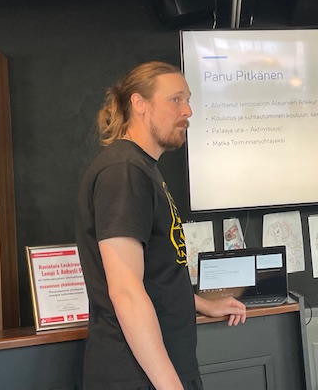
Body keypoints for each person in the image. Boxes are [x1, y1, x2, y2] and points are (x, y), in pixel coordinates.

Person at [75, 61, 247, 390]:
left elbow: (154, 274)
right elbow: (126, 292)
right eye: (175, 99)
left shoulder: (142, 168)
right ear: (139, 103)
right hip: (136, 375)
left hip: (158, 370)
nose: (188, 111)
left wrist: (203, 304)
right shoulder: (123, 170)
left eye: (188, 100)